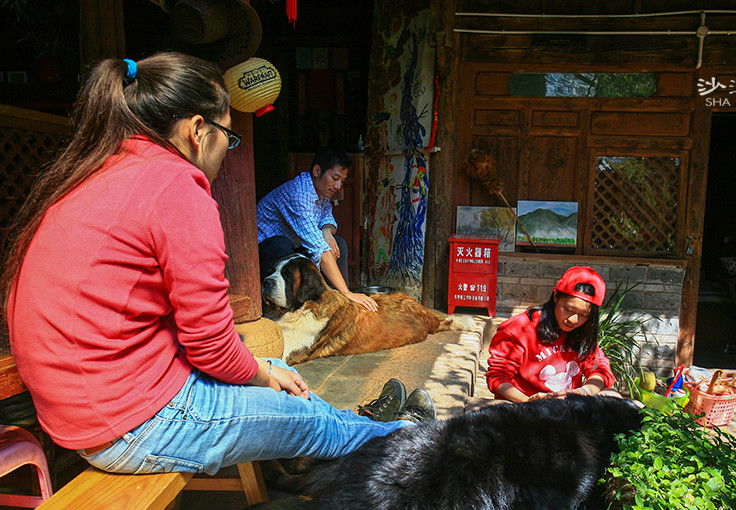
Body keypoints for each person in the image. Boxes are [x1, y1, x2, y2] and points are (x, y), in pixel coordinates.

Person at [0, 52, 432, 477]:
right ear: (196, 130)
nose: (229, 148)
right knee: (301, 412)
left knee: (278, 371)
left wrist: (260, 373)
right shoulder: (176, 188)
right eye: (230, 134)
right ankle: (407, 438)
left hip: (87, 410)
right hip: (129, 422)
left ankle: (342, 437)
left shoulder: (99, 169)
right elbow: (209, 346)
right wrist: (256, 375)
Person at [256, 148, 379, 312]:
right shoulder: (299, 193)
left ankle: (336, 303)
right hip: (265, 251)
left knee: (338, 243)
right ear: (317, 171)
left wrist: (326, 232)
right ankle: (279, 305)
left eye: (342, 180)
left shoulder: (321, 193)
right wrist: (348, 292)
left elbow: (327, 220)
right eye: (335, 178)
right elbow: (318, 248)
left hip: (292, 247)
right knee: (282, 243)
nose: (338, 186)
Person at [486, 266, 622, 403]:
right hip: (525, 407)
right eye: (568, 309)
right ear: (556, 296)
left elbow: (600, 369)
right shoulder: (519, 328)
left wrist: (582, 392)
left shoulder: (582, 331)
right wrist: (528, 401)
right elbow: (498, 377)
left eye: (584, 315)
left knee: (616, 397)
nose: (573, 320)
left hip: (566, 407)